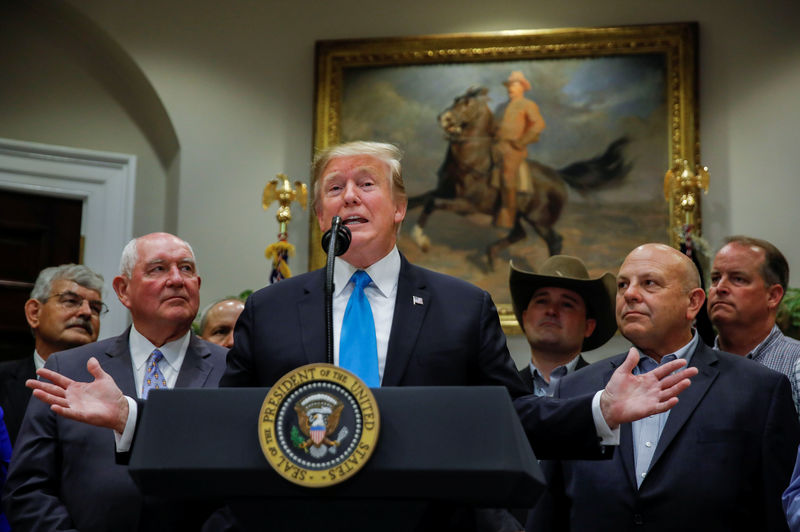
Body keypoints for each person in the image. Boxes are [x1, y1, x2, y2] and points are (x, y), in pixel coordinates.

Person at [25, 143, 695, 530]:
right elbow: (227, 426)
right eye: (334, 188)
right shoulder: (273, 307)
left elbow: (509, 419)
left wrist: (601, 412)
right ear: (320, 213)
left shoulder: (461, 306)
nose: (349, 197)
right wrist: (134, 420)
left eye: (366, 184)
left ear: (398, 207)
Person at [527, 243, 800, 532]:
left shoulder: (759, 389)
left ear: (693, 303)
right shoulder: (574, 390)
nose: (629, 294)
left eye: (649, 283)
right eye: (622, 285)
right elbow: (548, 512)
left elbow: (777, 513)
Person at [3, 233, 228, 532]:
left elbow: (247, 488)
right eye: (158, 269)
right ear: (123, 291)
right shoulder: (69, 368)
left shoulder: (232, 370)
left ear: (197, 286)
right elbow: (27, 487)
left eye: (186, 269)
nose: (176, 279)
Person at [0, 263, 104, 445]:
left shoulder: (109, 388)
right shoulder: (2, 380)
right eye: (71, 301)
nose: (87, 312)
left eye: (95, 308)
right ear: (34, 313)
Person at [708, 235, 800, 414]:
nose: (720, 287)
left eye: (738, 279)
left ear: (773, 296)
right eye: (715, 278)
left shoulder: (795, 362)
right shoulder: (691, 367)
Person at [510, 255, 616, 396]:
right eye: (542, 301)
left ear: (588, 327)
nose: (551, 311)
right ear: (525, 317)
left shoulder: (609, 391)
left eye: (567, 304)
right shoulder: (503, 391)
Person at [493, 71, 546, 229]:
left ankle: (508, 215)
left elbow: (538, 125)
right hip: (496, 145)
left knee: (507, 176)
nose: (510, 88)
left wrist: (522, 141)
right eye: (509, 85)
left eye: (514, 85)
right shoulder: (501, 107)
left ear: (522, 87)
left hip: (513, 149)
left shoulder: (528, 105)